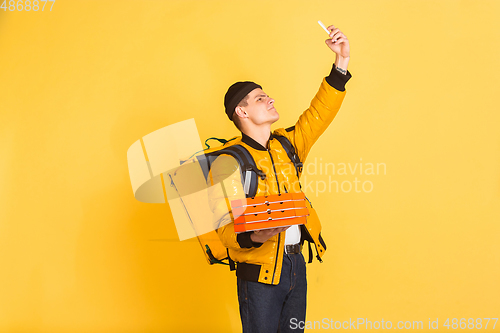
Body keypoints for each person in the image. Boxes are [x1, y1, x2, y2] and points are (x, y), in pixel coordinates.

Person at [208, 24, 352, 333]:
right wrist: (255, 237)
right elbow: (222, 225)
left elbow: (319, 114)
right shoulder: (227, 161)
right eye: (260, 98)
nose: (269, 99)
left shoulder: (288, 143)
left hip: (295, 266)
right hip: (259, 274)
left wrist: (340, 64)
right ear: (241, 112)